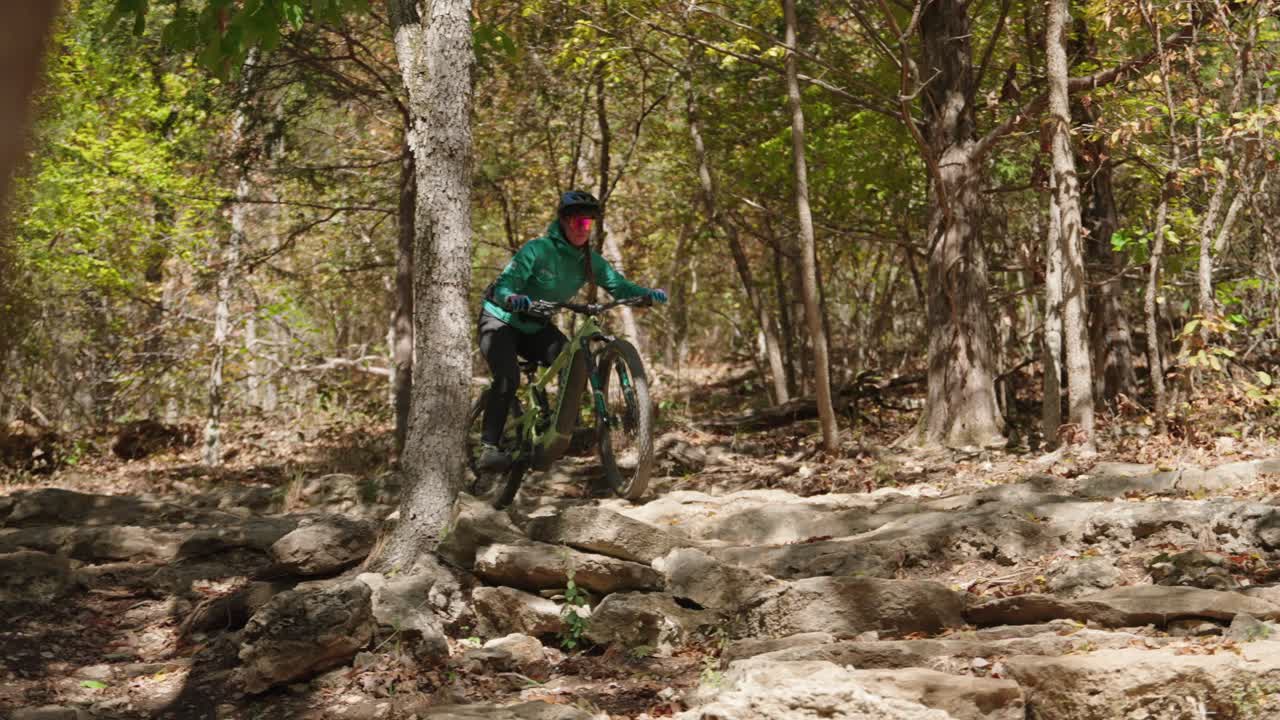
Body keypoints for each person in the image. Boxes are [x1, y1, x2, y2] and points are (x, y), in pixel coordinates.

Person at [476, 190, 667, 471]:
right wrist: (510, 297)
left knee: (572, 359)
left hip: (535, 327)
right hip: (500, 321)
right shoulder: (538, 250)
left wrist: (647, 295)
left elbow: (620, 286)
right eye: (578, 222)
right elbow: (507, 281)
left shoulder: (589, 260)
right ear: (564, 222)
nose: (583, 229)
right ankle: (488, 448)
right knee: (507, 378)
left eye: (588, 224)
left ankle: (556, 431)